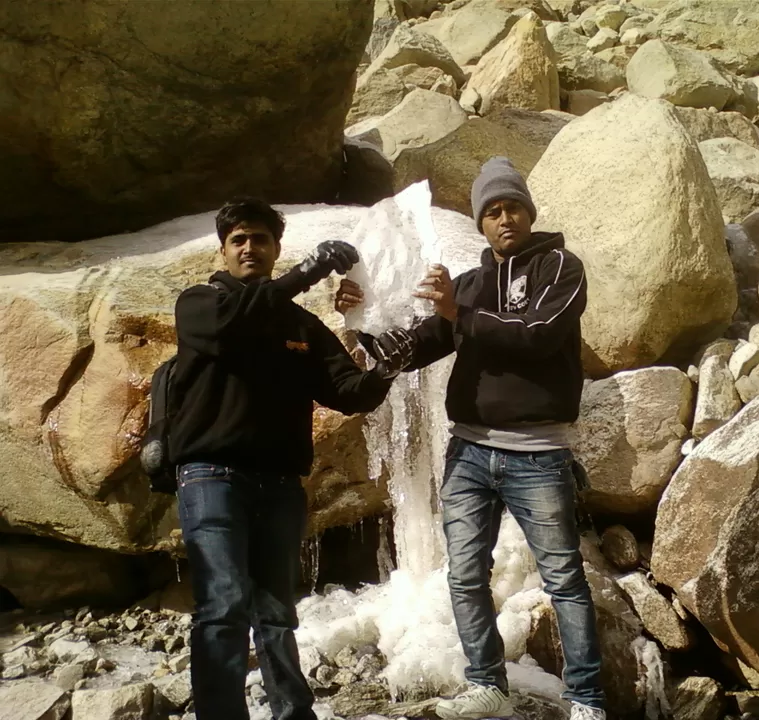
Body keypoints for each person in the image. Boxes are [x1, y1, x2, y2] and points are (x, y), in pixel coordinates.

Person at [336, 157, 605, 720]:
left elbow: (538, 337)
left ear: (529, 213)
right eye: (492, 211)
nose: (504, 219)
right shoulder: (471, 283)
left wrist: (459, 311)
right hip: (469, 451)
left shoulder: (562, 268)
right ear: (481, 223)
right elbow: (410, 352)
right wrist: (358, 322)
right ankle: (488, 684)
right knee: (463, 575)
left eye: (512, 208)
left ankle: (586, 699)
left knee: (563, 579)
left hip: (538, 452)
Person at [170, 197, 413, 720]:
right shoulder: (200, 304)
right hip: (211, 477)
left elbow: (348, 391)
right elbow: (233, 324)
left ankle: (292, 713)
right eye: (240, 240)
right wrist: (309, 271)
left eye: (260, 238)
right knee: (223, 605)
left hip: (279, 483)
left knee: (277, 613)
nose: (250, 248)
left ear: (275, 248)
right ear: (224, 250)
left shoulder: (298, 324)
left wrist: (386, 367)